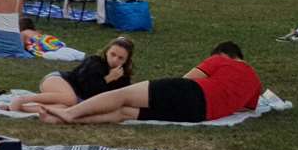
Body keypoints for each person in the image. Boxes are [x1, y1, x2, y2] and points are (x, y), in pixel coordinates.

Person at [45, 41, 261, 125]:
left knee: (124, 96)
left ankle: (70, 113)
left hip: (190, 92)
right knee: (126, 113)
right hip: (199, 114)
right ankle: (64, 121)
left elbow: (188, 79)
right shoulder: (255, 83)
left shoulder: (220, 60)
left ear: (225, 55)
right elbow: (247, 107)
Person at [8, 36, 136, 113]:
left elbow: (120, 95)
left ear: (126, 61)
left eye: (120, 58)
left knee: (65, 109)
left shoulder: (122, 74)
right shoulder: (94, 63)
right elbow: (88, 89)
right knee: (70, 99)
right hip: (59, 80)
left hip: (75, 99)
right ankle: (23, 99)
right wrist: (108, 79)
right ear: (107, 51)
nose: (115, 60)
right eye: (113, 54)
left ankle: (22, 108)